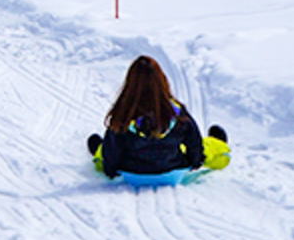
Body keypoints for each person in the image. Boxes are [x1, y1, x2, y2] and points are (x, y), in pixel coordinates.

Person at [86, 56, 226, 178]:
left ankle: (98, 148)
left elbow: (112, 154)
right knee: (207, 148)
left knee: (105, 150)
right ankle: (217, 143)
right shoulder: (176, 111)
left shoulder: (124, 113)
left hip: (132, 172)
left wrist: (109, 169)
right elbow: (194, 143)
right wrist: (195, 162)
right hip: (171, 169)